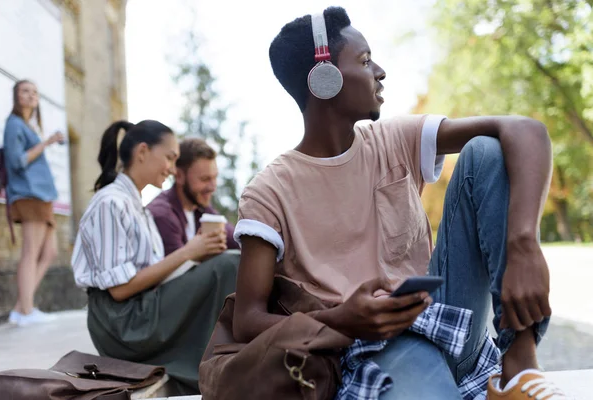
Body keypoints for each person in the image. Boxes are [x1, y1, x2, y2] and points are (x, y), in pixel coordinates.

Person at [231, 7, 569, 400]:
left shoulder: (394, 139)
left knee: (488, 151)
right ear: (325, 78)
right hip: (369, 349)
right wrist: (339, 321)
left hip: (450, 318)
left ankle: (518, 369)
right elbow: (247, 320)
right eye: (365, 59)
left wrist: (523, 244)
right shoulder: (268, 191)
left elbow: (524, 130)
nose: (380, 71)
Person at [71, 120, 239, 395]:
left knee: (226, 262)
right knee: (227, 265)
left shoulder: (138, 207)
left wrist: (197, 259)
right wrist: (189, 252)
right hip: (120, 323)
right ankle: (215, 364)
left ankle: (220, 361)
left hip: (138, 309)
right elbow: (120, 290)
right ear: (142, 152)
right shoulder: (110, 203)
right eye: (170, 158)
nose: (173, 169)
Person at [3, 80, 64, 327]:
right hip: (28, 194)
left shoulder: (27, 126)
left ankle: (20, 308)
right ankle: (26, 311)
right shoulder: (14, 124)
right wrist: (46, 143)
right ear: (16, 97)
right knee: (31, 252)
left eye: (35, 92)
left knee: (49, 252)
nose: (31, 96)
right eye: (25, 91)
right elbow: (17, 161)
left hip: (41, 196)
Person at [147, 137, 238, 256]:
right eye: (205, 179)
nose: (212, 187)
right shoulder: (163, 214)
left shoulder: (202, 209)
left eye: (215, 177)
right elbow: (176, 272)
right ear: (179, 176)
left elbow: (238, 242)